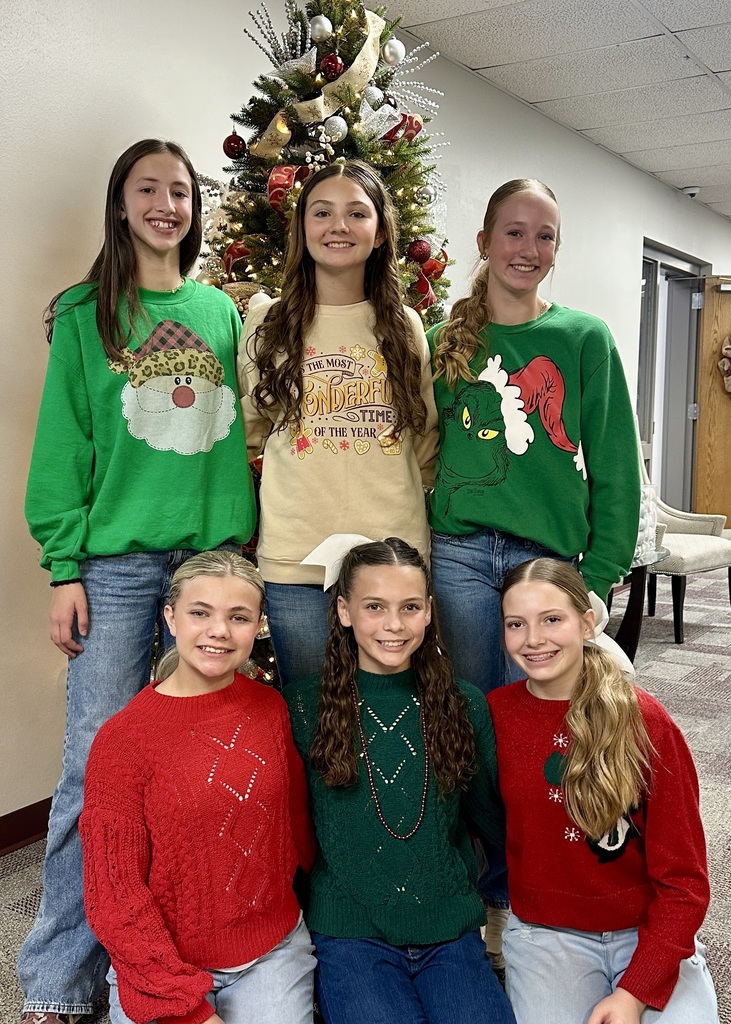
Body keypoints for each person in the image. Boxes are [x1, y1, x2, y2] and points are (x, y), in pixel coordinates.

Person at [20, 140, 256, 1024]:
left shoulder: (220, 313)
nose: (166, 203)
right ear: (119, 205)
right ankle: (58, 979)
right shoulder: (88, 313)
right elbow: (63, 447)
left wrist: (241, 562)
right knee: (94, 772)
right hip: (118, 571)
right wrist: (64, 566)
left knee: (199, 769)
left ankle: (182, 950)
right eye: (146, 189)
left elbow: (238, 439)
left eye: (181, 190)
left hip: (210, 565)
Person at [79, 550, 317, 1024]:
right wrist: (188, 1010)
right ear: (170, 617)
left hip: (271, 951)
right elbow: (113, 896)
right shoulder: (123, 740)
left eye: (239, 616)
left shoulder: (271, 709)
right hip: (163, 967)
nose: (219, 631)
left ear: (257, 626)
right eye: (200, 612)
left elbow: (298, 827)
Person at [284, 537, 515, 1024]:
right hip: (350, 932)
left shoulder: (463, 703)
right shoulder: (302, 707)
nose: (394, 625)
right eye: (375, 607)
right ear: (344, 611)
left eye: (410, 607)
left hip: (447, 926)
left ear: (429, 611)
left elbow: (498, 820)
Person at [429, 177, 640, 697]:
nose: (529, 250)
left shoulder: (585, 337)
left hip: (551, 559)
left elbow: (616, 466)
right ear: (484, 242)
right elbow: (417, 453)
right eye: (514, 233)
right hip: (461, 556)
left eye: (545, 237)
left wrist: (599, 576)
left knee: (547, 712)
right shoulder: (441, 342)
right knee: (475, 712)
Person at [489, 557, 718, 1024]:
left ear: (587, 622)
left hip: (647, 928)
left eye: (552, 619)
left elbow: (686, 880)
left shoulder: (647, 721)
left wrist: (635, 993)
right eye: (517, 624)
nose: (533, 639)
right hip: (545, 933)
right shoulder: (491, 718)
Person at [238, 160, 438, 688]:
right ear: (302, 228)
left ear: (380, 232)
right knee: (309, 717)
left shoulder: (405, 324)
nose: (338, 226)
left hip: (393, 560)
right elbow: (249, 431)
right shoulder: (269, 322)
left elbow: (424, 442)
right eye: (322, 212)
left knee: (393, 714)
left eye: (357, 213)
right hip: (296, 557)